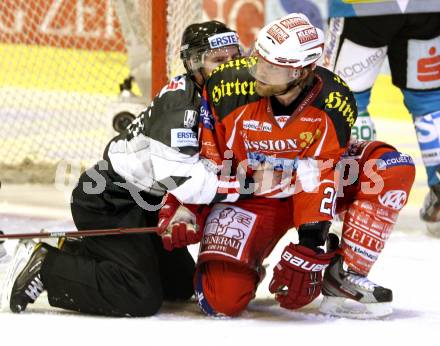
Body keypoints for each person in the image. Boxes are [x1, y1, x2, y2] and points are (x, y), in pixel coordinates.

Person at [159, 12, 415, 318]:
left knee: (392, 167)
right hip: (249, 197)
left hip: (306, 190)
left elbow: (320, 175)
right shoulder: (226, 88)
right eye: (258, 58)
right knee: (220, 301)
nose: (257, 71)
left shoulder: (335, 102)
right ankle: (248, 260)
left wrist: (310, 246)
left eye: (271, 66)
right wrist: (186, 208)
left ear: (300, 72)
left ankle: (345, 273)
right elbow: (209, 160)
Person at [2, 21, 244, 316]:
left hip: (145, 200)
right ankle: (47, 265)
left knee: (180, 286)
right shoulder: (181, 107)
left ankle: (78, 249)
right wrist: (242, 187)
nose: (229, 68)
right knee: (139, 294)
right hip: (109, 200)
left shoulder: (213, 94)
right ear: (194, 63)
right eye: (219, 61)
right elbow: (185, 182)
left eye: (234, 59)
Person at [321, 0, 440, 235]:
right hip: (427, 7)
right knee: (430, 102)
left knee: (346, 99)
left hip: (362, 6)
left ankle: (346, 199)